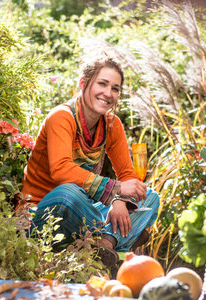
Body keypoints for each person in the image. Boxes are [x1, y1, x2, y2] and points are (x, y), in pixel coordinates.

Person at [18, 51, 160, 267]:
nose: (108, 93)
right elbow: (61, 171)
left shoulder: (112, 125)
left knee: (149, 197)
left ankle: (105, 242)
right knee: (69, 193)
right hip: (44, 213)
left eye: (115, 88)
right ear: (84, 83)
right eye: (102, 84)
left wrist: (120, 201)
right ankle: (123, 235)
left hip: (84, 211)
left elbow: (128, 177)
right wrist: (116, 191)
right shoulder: (61, 117)